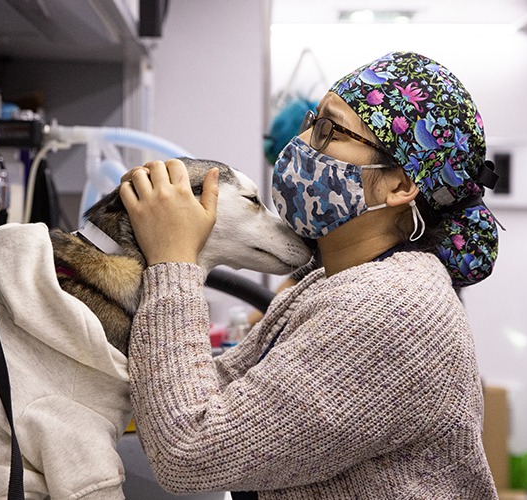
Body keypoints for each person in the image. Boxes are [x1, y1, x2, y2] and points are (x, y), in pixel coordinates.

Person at [117, 52, 502, 499]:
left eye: (328, 131)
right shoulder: (332, 283)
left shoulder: (394, 308)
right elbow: (212, 393)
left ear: (400, 185)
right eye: (311, 121)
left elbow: (189, 450)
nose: (300, 144)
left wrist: (174, 262)